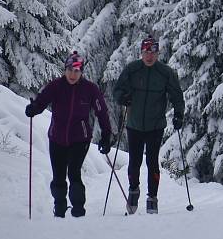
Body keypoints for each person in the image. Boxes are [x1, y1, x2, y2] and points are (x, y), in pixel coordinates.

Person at [25, 52, 112, 218]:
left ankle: (78, 211)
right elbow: (41, 102)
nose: (73, 74)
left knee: (74, 173)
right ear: (65, 70)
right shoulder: (56, 86)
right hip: (57, 137)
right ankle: (59, 210)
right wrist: (33, 109)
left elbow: (102, 112)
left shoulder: (90, 89)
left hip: (80, 138)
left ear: (81, 72)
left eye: (77, 71)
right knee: (58, 176)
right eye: (70, 70)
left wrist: (106, 135)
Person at [113, 36, 185, 214]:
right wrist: (123, 98)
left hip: (155, 125)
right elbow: (118, 90)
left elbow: (176, 95)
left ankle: (152, 197)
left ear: (158, 53)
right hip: (134, 124)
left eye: (153, 52)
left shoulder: (165, 73)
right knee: (134, 161)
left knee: (152, 162)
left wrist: (178, 115)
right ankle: (133, 190)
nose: (149, 56)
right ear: (141, 53)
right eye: (146, 52)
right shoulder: (132, 69)